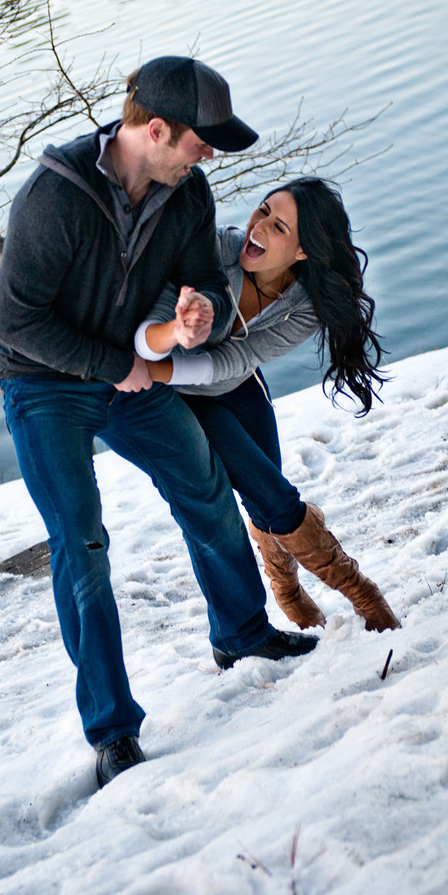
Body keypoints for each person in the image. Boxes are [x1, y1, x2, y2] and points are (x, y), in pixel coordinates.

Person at [0, 56, 318, 789]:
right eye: (201, 141)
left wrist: (198, 306)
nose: (208, 155)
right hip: (44, 382)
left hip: (130, 373)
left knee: (202, 484)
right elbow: (16, 324)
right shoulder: (54, 198)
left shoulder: (185, 190)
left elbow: (201, 268)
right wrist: (111, 365)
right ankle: (111, 731)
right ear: (158, 130)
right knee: (82, 541)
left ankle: (241, 633)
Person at [135, 176, 401, 634]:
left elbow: (239, 358)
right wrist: (151, 361)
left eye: (279, 228)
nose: (258, 228)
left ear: (302, 252)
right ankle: (361, 594)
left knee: (268, 502)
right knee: (274, 497)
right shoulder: (215, 252)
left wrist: (152, 369)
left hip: (236, 383)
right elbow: (152, 327)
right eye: (263, 212)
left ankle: (287, 585)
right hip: (183, 397)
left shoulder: (305, 304)